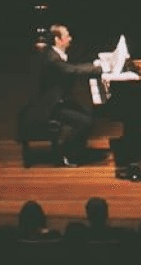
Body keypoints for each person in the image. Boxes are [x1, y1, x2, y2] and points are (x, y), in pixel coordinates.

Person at [18, 23, 101, 166]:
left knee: (89, 115)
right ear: (58, 40)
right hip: (49, 106)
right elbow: (71, 70)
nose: (70, 38)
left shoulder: (54, 54)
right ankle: (68, 155)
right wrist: (98, 69)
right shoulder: (53, 59)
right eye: (67, 35)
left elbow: (73, 67)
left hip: (56, 100)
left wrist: (93, 65)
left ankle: (75, 149)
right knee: (85, 121)